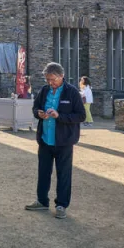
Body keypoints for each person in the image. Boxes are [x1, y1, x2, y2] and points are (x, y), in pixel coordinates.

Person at [25, 62, 85, 219]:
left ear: (61, 76)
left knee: (63, 174)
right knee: (43, 172)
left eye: (52, 79)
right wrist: (39, 114)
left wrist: (60, 116)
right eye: (47, 79)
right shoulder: (44, 91)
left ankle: (61, 205)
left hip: (64, 142)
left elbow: (81, 116)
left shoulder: (72, 92)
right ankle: (42, 201)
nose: (50, 83)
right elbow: (35, 108)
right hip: (45, 140)